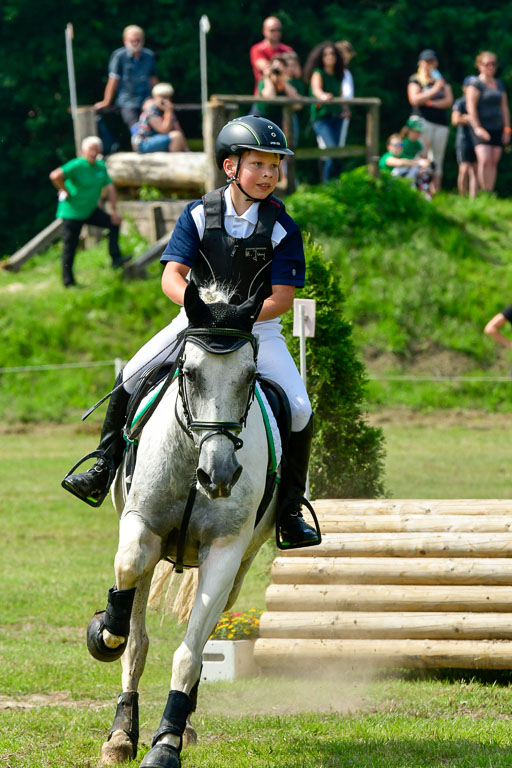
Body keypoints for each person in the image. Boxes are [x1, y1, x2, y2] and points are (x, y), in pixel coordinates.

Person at [62, 115, 320, 549]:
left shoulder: (281, 226)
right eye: (259, 165)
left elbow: (281, 298)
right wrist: (201, 311)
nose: (269, 175)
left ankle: (291, 510)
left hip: (259, 330)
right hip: (194, 323)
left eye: (275, 166)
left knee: (299, 409)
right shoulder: (199, 213)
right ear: (230, 168)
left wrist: (237, 318)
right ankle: (104, 467)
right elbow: (172, 277)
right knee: (131, 375)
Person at [49, 137, 130, 287]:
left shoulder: (100, 167)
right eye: (90, 149)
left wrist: (114, 211)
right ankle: (68, 282)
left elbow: (111, 188)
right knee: (70, 247)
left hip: (90, 211)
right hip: (72, 213)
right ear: (83, 151)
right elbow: (55, 175)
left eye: (96, 149)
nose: (93, 153)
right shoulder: (77, 165)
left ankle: (116, 259)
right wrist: (64, 190)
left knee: (114, 223)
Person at [94, 25, 158, 132]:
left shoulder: (149, 56)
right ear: (125, 41)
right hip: (127, 101)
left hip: (147, 100)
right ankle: (139, 142)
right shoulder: (119, 56)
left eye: (138, 40)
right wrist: (107, 101)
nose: (135, 43)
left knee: (157, 123)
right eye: (132, 40)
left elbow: (153, 80)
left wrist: (157, 98)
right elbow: (113, 80)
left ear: (143, 40)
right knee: (136, 129)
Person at [407, 49, 453, 194]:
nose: (429, 65)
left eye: (432, 61)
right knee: (422, 155)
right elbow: (415, 99)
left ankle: (435, 193)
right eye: (426, 62)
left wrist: (430, 102)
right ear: (420, 63)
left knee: (437, 159)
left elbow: (449, 101)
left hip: (440, 123)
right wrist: (435, 90)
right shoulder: (415, 79)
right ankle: (419, 190)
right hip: (422, 121)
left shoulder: (442, 79)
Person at [465, 51, 510, 192]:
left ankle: (489, 193)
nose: (490, 67)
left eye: (493, 64)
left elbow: (504, 108)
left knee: (493, 161)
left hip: (497, 127)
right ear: (479, 65)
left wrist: (507, 129)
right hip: (481, 126)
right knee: (484, 160)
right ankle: (483, 192)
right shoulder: (475, 84)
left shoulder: (499, 84)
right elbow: (470, 106)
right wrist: (477, 127)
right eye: (487, 64)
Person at [304, 41, 345, 182]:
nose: (329, 57)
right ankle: (327, 184)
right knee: (332, 151)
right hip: (322, 118)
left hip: (337, 117)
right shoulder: (318, 73)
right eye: (326, 54)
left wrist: (345, 109)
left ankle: (334, 183)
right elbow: (316, 90)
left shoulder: (338, 74)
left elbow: (340, 95)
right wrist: (322, 96)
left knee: (337, 153)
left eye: (332, 54)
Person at [131, 83, 188, 153]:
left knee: (177, 135)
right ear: (155, 97)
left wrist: (186, 149)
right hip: (142, 144)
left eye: (168, 97)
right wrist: (168, 112)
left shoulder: (167, 110)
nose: (166, 100)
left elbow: (178, 130)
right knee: (176, 137)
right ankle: (172, 162)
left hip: (155, 140)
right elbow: (164, 130)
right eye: (163, 97)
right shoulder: (151, 111)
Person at [249, 16, 293, 95]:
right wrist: (280, 67)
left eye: (278, 30)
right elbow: (264, 67)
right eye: (272, 30)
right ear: (264, 31)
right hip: (263, 94)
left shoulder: (287, 50)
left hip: (285, 95)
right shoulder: (257, 49)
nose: (276, 33)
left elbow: (294, 71)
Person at [452, 77, 478, 198]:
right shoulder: (460, 102)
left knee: (475, 170)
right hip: (463, 140)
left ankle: (473, 199)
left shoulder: (480, 103)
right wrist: (471, 118)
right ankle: (462, 197)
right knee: (464, 169)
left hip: (477, 140)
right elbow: (455, 120)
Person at [335, 40, 356, 147]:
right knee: (328, 148)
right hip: (335, 113)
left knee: (340, 145)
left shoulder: (346, 72)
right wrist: (344, 107)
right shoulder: (334, 73)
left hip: (343, 113)